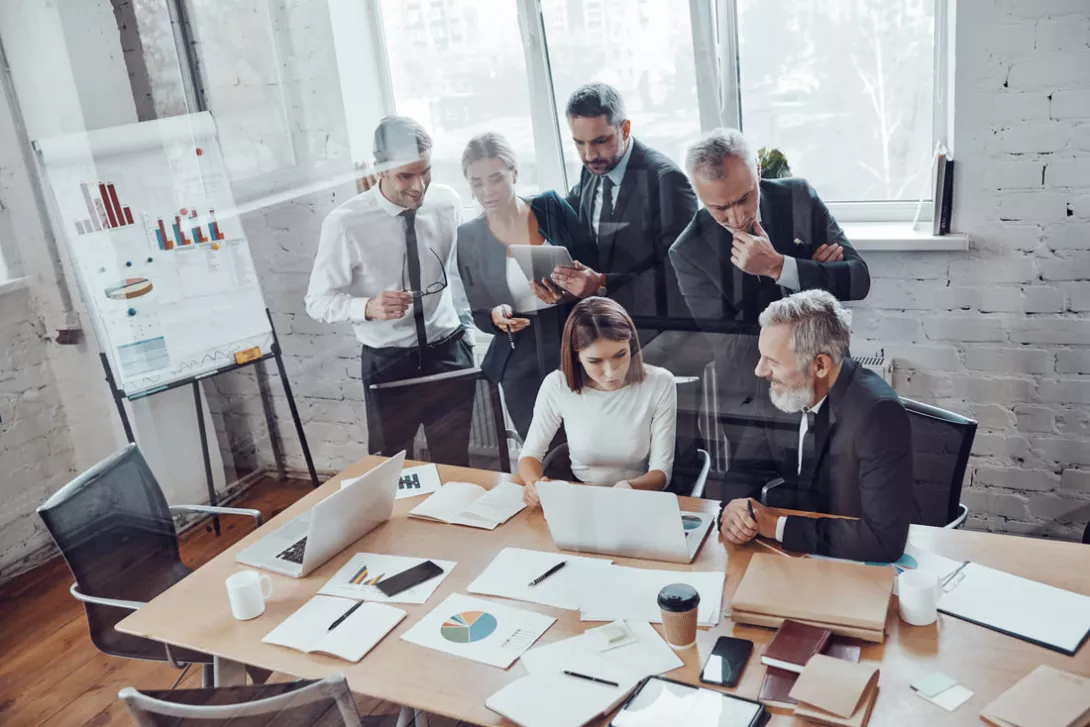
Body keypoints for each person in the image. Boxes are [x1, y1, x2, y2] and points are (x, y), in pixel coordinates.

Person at [305, 116, 476, 466]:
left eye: (425, 171)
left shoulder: (447, 203)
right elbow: (317, 302)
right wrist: (368, 307)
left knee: (456, 467)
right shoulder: (345, 223)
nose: (419, 187)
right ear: (379, 169)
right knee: (391, 469)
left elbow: (461, 274)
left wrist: (472, 330)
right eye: (405, 175)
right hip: (389, 363)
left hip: (449, 353)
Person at [717, 290, 917, 563]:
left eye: (772, 361)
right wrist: (733, 511)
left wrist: (776, 526)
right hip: (792, 557)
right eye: (761, 356)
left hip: (852, 565)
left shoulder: (878, 414)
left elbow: (883, 539)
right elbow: (745, 471)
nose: (759, 370)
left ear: (820, 365)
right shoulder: (777, 389)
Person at [456, 132, 592, 438]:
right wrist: (496, 317)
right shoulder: (468, 236)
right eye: (477, 183)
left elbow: (595, 271)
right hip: (520, 358)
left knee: (588, 445)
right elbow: (479, 311)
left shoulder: (552, 207)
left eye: (496, 178)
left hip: (574, 343)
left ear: (515, 173)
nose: (487, 191)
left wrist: (572, 290)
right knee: (541, 452)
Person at [670, 127, 870, 325]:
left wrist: (778, 266)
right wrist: (809, 277)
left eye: (744, 199)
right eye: (720, 208)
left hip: (830, 353)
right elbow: (731, 347)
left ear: (757, 170)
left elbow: (858, 281)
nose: (737, 219)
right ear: (699, 195)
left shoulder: (799, 197)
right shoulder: (688, 252)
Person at [548, 83, 699, 338]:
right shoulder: (592, 170)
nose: (589, 155)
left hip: (656, 331)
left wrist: (603, 284)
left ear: (625, 129)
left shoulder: (666, 180)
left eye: (600, 141)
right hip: (603, 329)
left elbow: (681, 274)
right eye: (579, 143)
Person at [519, 297, 678, 508]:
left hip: (639, 499)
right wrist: (534, 485)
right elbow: (530, 455)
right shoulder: (557, 385)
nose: (611, 372)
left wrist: (628, 487)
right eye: (595, 361)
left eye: (620, 355)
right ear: (576, 356)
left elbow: (661, 471)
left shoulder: (660, 382)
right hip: (579, 499)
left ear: (631, 346)